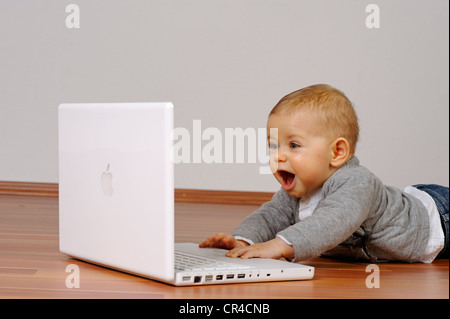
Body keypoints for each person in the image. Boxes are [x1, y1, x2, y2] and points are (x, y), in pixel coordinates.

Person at [199, 84, 449, 263]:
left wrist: (280, 245)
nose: (278, 156)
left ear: (337, 152)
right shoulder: (298, 190)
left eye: (293, 145)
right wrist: (243, 241)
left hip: (438, 220)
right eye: (273, 146)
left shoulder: (356, 182)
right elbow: (269, 217)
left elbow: (331, 221)